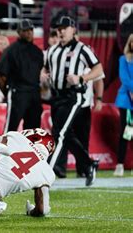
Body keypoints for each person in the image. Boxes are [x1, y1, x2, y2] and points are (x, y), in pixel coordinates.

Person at [42, 16, 103, 186]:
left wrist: (82, 77)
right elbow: (45, 67)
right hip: (56, 96)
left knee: (59, 134)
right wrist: (43, 74)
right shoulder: (52, 50)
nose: (61, 31)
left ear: (73, 29)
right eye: (59, 28)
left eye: (64, 28)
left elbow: (98, 69)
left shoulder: (82, 49)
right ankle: (89, 164)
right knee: (66, 134)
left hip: (73, 96)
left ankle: (46, 174)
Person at [0, 19, 44, 133]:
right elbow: (1, 76)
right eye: (25, 30)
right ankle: (3, 151)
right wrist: (8, 92)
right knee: (10, 130)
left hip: (34, 94)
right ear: (19, 32)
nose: (28, 33)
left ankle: (30, 151)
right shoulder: (10, 51)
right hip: (17, 93)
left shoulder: (38, 52)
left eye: (30, 30)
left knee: (34, 131)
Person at [113, 34, 133, 177]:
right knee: (126, 132)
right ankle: (120, 164)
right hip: (126, 101)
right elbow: (124, 79)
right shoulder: (123, 59)